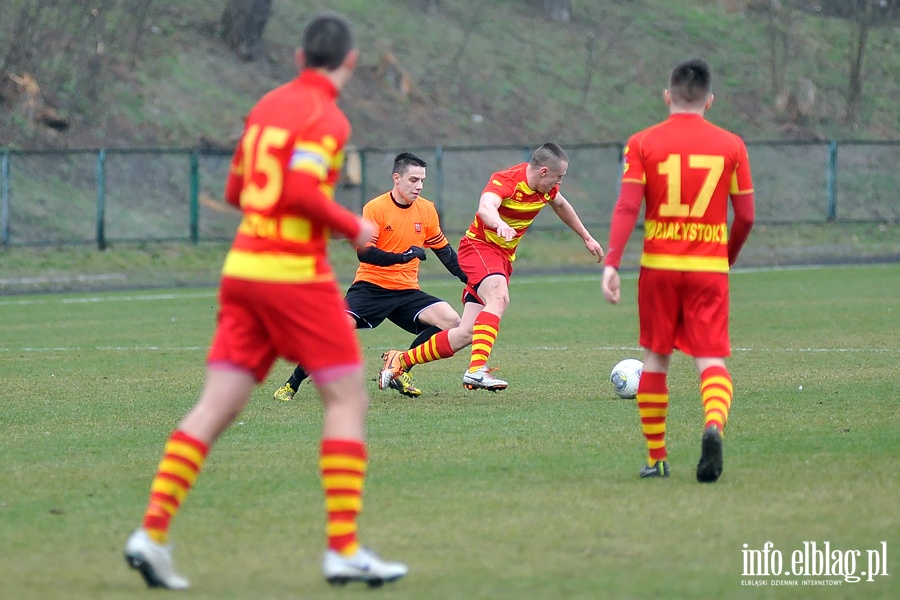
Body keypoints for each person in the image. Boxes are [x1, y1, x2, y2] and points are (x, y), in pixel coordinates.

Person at [123, 13, 408, 590]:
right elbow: (302, 191)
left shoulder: (267, 105)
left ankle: (150, 534)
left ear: (300, 58)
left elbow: (235, 190)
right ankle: (344, 549)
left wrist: (305, 214)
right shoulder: (325, 117)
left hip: (242, 271)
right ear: (350, 62)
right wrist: (350, 223)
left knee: (217, 405)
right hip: (290, 277)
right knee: (348, 399)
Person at [600, 57, 755, 483]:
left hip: (660, 268)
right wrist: (727, 258)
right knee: (710, 358)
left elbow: (628, 205)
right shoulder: (732, 145)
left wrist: (612, 261)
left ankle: (658, 458)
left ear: (667, 96)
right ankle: (713, 426)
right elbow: (745, 217)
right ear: (710, 101)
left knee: (655, 358)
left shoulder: (642, 142)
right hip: (708, 268)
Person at [379, 143, 605, 392]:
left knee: (465, 333)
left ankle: (400, 360)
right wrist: (498, 224)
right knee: (499, 297)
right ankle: (476, 371)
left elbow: (561, 205)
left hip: (502, 259)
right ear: (543, 171)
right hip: (479, 249)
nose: (559, 182)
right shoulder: (506, 181)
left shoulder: (547, 190)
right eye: (558, 176)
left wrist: (586, 236)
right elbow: (486, 207)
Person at [272, 151, 467, 402]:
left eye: (422, 181)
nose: (419, 186)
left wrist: (473, 280)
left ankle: (399, 368)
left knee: (452, 322)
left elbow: (446, 253)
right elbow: (365, 254)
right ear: (396, 178)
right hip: (371, 287)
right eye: (413, 180)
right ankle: (291, 384)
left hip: (407, 291)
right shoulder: (376, 208)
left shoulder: (427, 210)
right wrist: (403, 256)